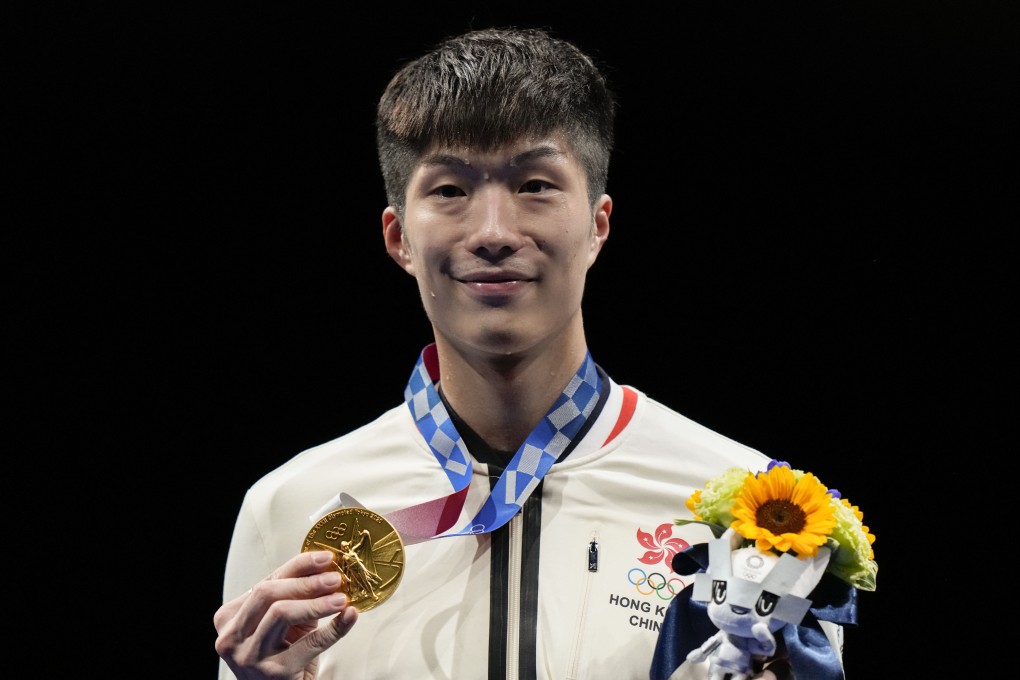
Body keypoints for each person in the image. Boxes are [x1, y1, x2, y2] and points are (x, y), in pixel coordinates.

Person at [213, 26, 845, 679]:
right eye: (450, 190)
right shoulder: (290, 508)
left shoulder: (756, 512)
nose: (492, 233)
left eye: (536, 185)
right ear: (399, 237)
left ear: (598, 224)